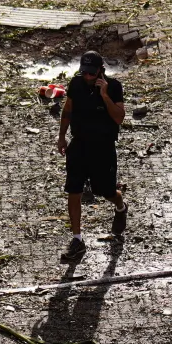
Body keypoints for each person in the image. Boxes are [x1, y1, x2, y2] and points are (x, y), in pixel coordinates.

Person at [57, 51, 127, 258]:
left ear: (100, 70)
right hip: (79, 144)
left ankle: (121, 206)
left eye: (91, 73)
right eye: (84, 72)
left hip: (103, 148)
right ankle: (77, 239)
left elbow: (119, 118)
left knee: (106, 191)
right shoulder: (76, 84)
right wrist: (61, 136)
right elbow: (67, 110)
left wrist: (104, 95)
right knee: (74, 190)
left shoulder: (113, 87)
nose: (87, 77)